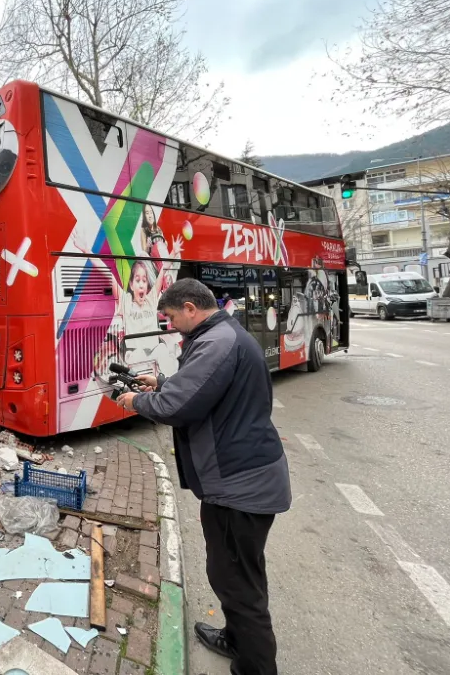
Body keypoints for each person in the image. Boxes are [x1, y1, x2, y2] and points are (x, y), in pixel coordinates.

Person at [117, 278, 291, 675]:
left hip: (241, 484)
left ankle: (256, 668)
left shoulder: (215, 342)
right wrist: (160, 383)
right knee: (236, 572)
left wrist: (137, 400)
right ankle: (236, 639)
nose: (172, 324)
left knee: (237, 583)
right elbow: (207, 388)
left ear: (191, 308)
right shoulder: (221, 335)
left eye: (172, 317)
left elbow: (179, 406)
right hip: (239, 478)